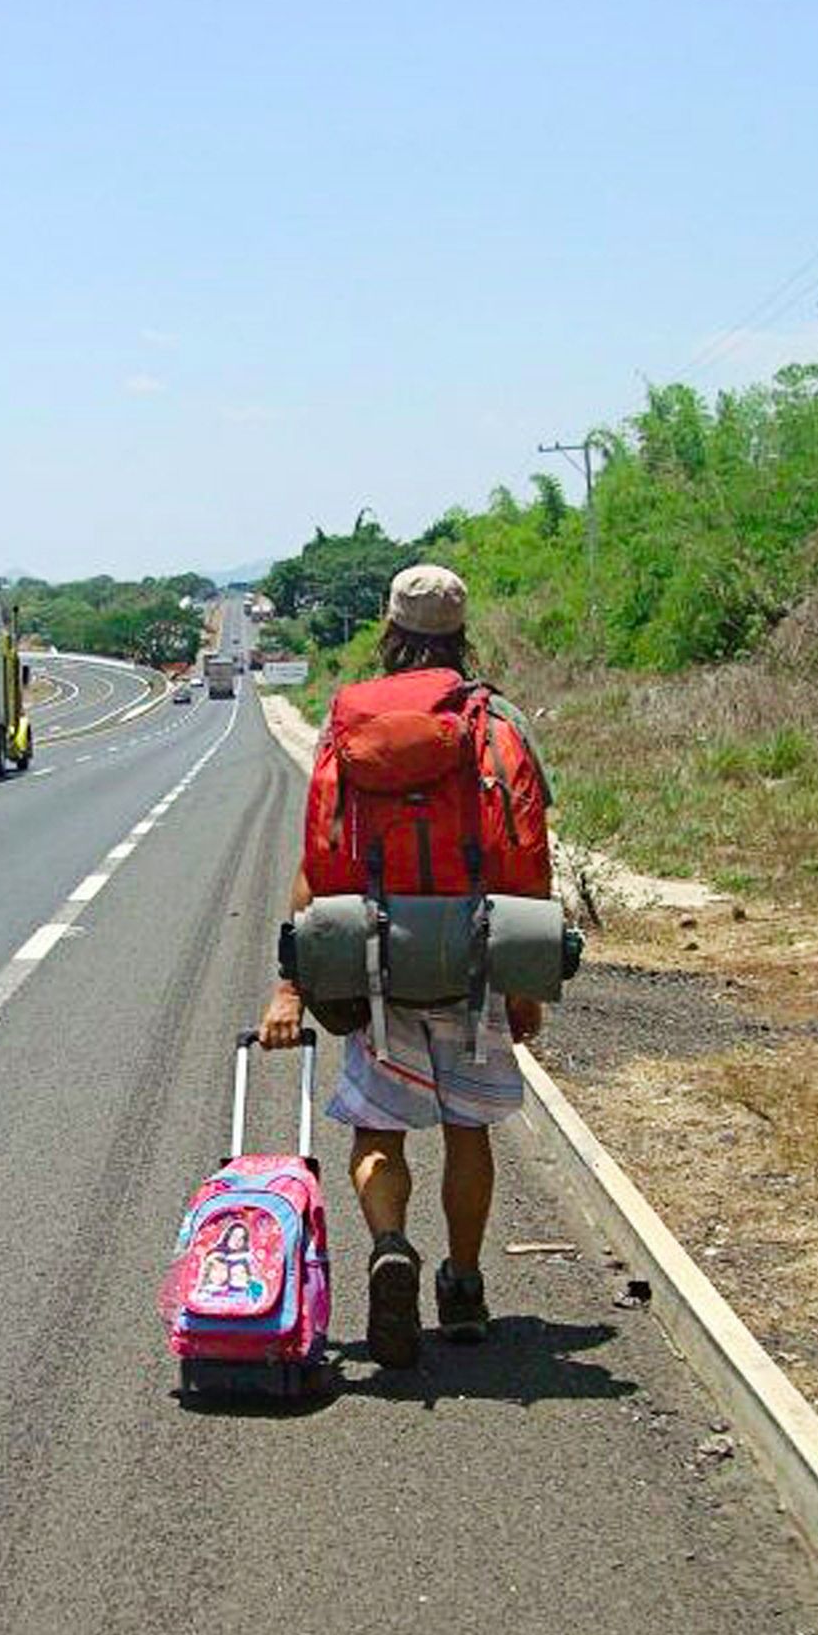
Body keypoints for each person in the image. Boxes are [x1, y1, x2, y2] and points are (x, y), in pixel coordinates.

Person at [257, 563, 549, 1369]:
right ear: (461, 633)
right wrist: (525, 980)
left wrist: (292, 983)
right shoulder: (495, 725)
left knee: (378, 1128)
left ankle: (390, 1243)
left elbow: (320, 859)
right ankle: (463, 1286)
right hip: (474, 957)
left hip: (377, 956)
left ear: (390, 630)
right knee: (468, 1129)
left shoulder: (351, 723)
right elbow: (526, 854)